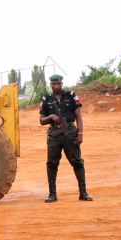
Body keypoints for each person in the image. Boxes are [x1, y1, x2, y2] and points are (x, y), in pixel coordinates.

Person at [39, 74, 92, 202]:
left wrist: (80, 134)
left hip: (70, 132)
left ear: (62, 83)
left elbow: (78, 116)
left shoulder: (71, 95)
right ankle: (52, 194)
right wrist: (51, 117)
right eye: (54, 84)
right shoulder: (46, 99)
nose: (56, 86)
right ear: (50, 85)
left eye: (58, 83)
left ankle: (83, 193)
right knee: (52, 164)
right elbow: (41, 120)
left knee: (77, 162)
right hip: (54, 134)